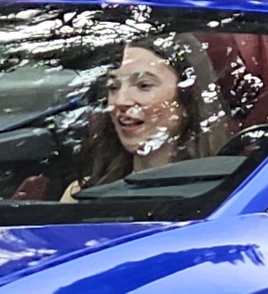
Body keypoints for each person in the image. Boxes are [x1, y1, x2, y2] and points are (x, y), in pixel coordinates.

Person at [67, 38, 222, 194]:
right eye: (113, 87)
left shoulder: (225, 194)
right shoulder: (80, 194)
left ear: (188, 99)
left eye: (144, 85)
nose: (121, 101)